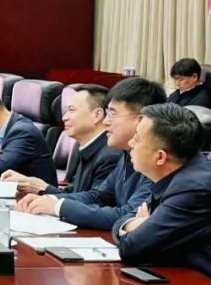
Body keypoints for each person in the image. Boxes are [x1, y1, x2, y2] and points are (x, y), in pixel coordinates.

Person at [114, 103, 211, 285]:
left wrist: (143, 225)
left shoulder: (196, 189)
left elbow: (131, 249)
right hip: (188, 281)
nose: (130, 143)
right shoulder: (181, 171)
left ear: (160, 157)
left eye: (137, 139)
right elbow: (125, 219)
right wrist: (136, 224)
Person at [20, 77, 166, 229]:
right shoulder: (126, 154)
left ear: (141, 120)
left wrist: (58, 207)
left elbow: (127, 215)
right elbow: (98, 196)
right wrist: (51, 200)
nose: (106, 121)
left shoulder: (156, 162)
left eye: (113, 114)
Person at [1, 85, 121, 195]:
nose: (64, 117)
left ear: (97, 115)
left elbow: (93, 203)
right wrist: (31, 183)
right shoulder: (86, 147)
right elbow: (75, 193)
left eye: (72, 110)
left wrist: (42, 188)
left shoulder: (110, 157)